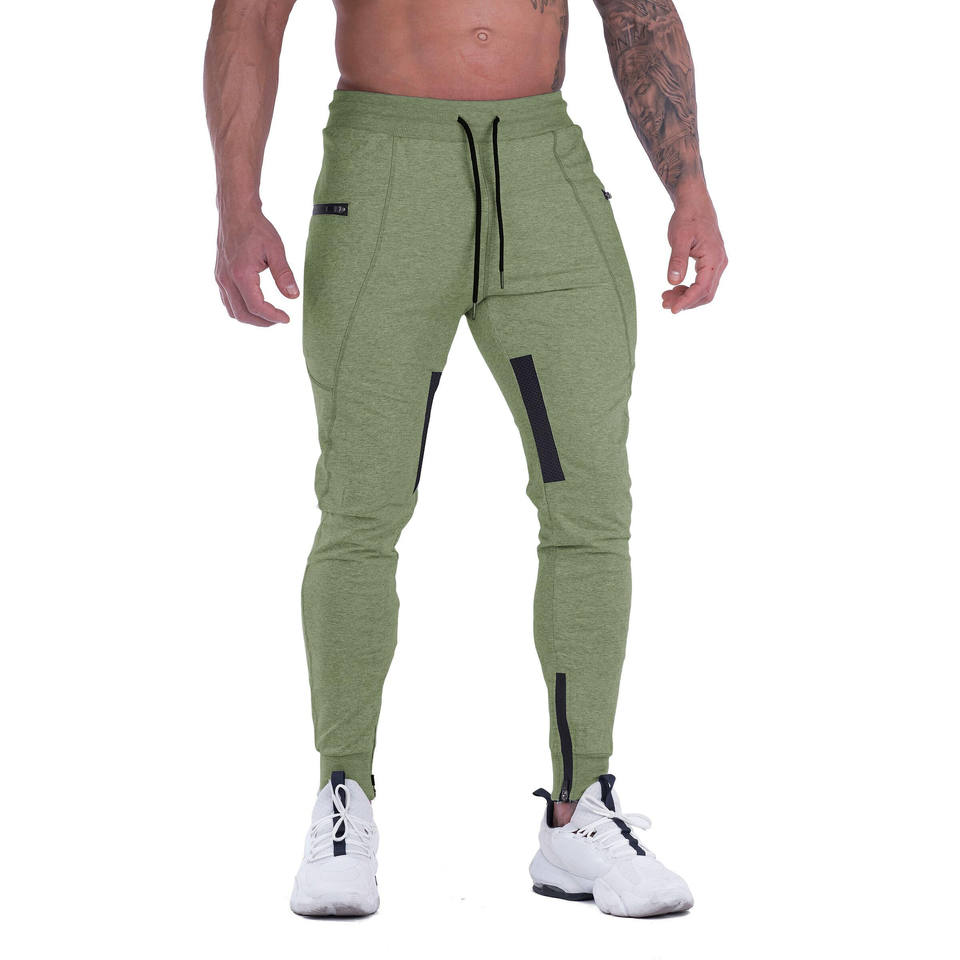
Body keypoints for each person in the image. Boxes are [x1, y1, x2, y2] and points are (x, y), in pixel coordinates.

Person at [204, 0, 726, 919]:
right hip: (385, 167)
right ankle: (343, 797)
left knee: (591, 505)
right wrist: (237, 204)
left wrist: (690, 186)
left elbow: (638, 15)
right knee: (362, 504)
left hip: (545, 171)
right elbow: (250, 17)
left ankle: (579, 811)